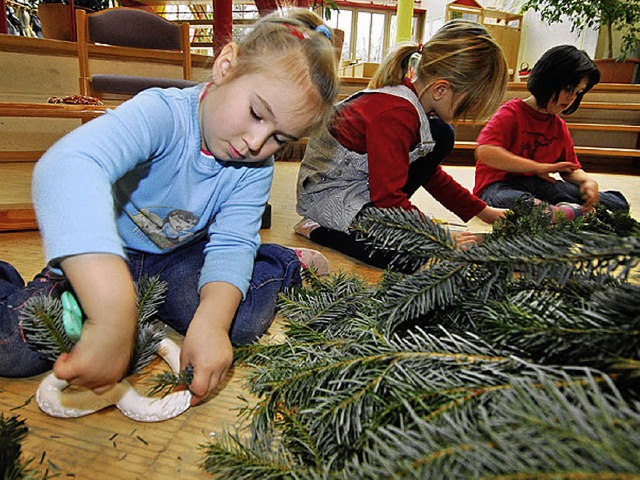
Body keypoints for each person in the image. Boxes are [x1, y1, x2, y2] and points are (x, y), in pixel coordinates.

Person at [0, 8, 338, 406]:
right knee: (14, 347)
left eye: (280, 138)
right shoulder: (161, 113)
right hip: (110, 251)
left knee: (239, 323)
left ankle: (282, 263)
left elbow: (231, 242)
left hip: (179, 256)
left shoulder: (256, 165)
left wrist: (212, 322)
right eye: (256, 113)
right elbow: (65, 168)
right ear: (226, 66)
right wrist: (111, 309)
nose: (256, 143)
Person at [295, 20, 509, 271]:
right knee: (405, 258)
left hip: (365, 188)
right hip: (328, 194)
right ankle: (316, 229)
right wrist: (437, 234)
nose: (465, 115)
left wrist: (482, 211)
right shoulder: (395, 114)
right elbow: (387, 197)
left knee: (443, 134)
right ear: (441, 90)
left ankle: (385, 226)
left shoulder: (417, 110)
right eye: (466, 106)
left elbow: (430, 175)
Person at [474, 45, 629, 220]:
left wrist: (586, 181)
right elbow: (485, 151)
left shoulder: (559, 126)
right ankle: (570, 212)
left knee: (617, 204)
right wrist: (538, 167)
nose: (572, 98)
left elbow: (570, 168)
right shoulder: (511, 113)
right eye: (568, 89)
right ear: (547, 81)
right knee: (512, 201)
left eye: (578, 92)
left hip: (539, 185)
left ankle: (565, 210)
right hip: (499, 186)